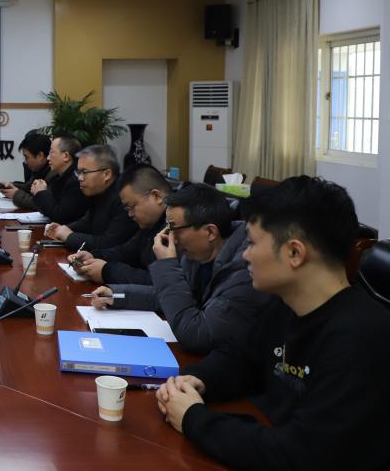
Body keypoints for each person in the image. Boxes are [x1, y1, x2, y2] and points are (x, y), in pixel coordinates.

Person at [156, 177, 390, 470]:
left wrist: (194, 418)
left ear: (294, 253)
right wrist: (198, 380)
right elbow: (240, 359)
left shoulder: (360, 338)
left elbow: (299, 454)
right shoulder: (286, 306)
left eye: (253, 243)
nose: (245, 255)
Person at [89, 182, 274, 353]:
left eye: (174, 229)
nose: (171, 239)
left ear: (210, 232)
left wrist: (166, 265)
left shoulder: (247, 267)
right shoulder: (197, 253)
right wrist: (118, 295)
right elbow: (175, 296)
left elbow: (197, 334)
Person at [67, 164, 170, 284]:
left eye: (131, 206)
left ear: (156, 196)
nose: (130, 214)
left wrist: (107, 272)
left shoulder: (178, 227)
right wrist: (93, 257)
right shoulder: (151, 223)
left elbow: (159, 282)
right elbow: (126, 252)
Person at [42, 145, 136, 252]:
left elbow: (109, 244)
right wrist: (65, 228)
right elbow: (87, 222)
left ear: (107, 174)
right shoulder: (99, 191)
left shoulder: (124, 198)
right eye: (78, 172)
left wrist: (69, 236)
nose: (80, 178)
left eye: (85, 172)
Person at [29, 134, 88, 223]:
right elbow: (47, 210)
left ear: (66, 156)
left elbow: (61, 216)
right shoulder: (58, 177)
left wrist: (41, 192)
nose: (48, 158)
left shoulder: (76, 181)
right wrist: (38, 192)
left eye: (51, 152)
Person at [0, 133, 52, 210]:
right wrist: (10, 185)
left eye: (27, 157)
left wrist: (15, 194)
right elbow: (28, 188)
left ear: (40, 156)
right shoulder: (39, 169)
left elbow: (42, 204)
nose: (25, 162)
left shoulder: (54, 174)